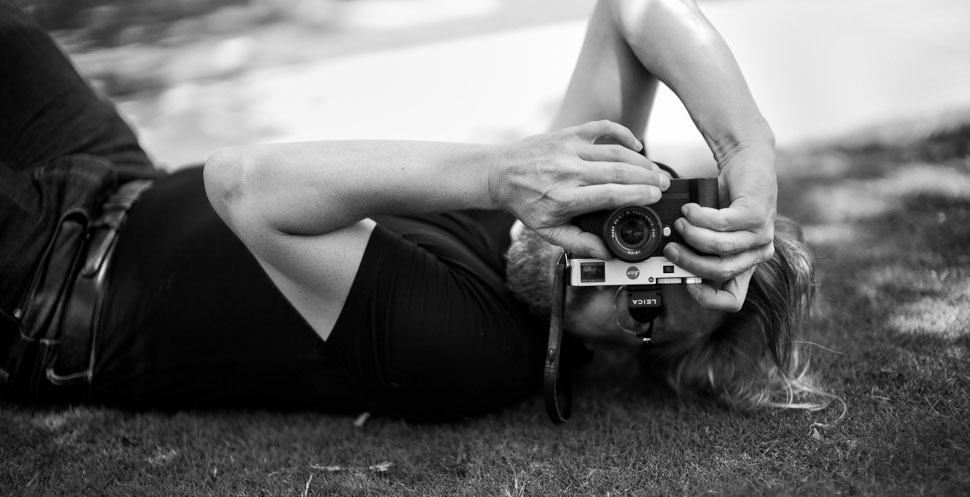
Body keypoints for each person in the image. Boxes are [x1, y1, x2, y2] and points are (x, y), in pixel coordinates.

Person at [0, 0, 827, 421]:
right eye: (655, 233)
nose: (612, 269)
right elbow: (633, 10)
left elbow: (244, 186)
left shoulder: (475, 349)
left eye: (647, 300)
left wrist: (503, 172)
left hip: (51, 285)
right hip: (117, 178)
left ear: (631, 354)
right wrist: (750, 154)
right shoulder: (566, 214)